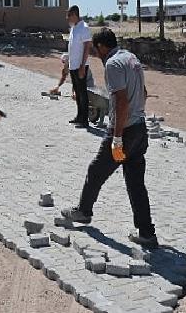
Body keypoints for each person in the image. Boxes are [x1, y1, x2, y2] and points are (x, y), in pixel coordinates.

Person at [61, 28, 158, 249]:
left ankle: (84, 212)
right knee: (136, 184)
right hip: (139, 130)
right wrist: (138, 116)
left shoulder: (113, 64)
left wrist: (117, 137)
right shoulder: (131, 58)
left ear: (103, 47)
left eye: (96, 51)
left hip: (124, 131)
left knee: (96, 171)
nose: (96, 55)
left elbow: (121, 101)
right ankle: (147, 234)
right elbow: (143, 92)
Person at [66, 5, 92, 128]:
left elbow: (87, 47)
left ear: (75, 15)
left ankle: (84, 119)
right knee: (77, 91)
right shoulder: (74, 28)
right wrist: (68, 64)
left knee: (82, 92)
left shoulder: (84, 28)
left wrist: (82, 66)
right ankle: (79, 116)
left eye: (69, 16)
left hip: (80, 66)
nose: (68, 18)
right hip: (73, 65)